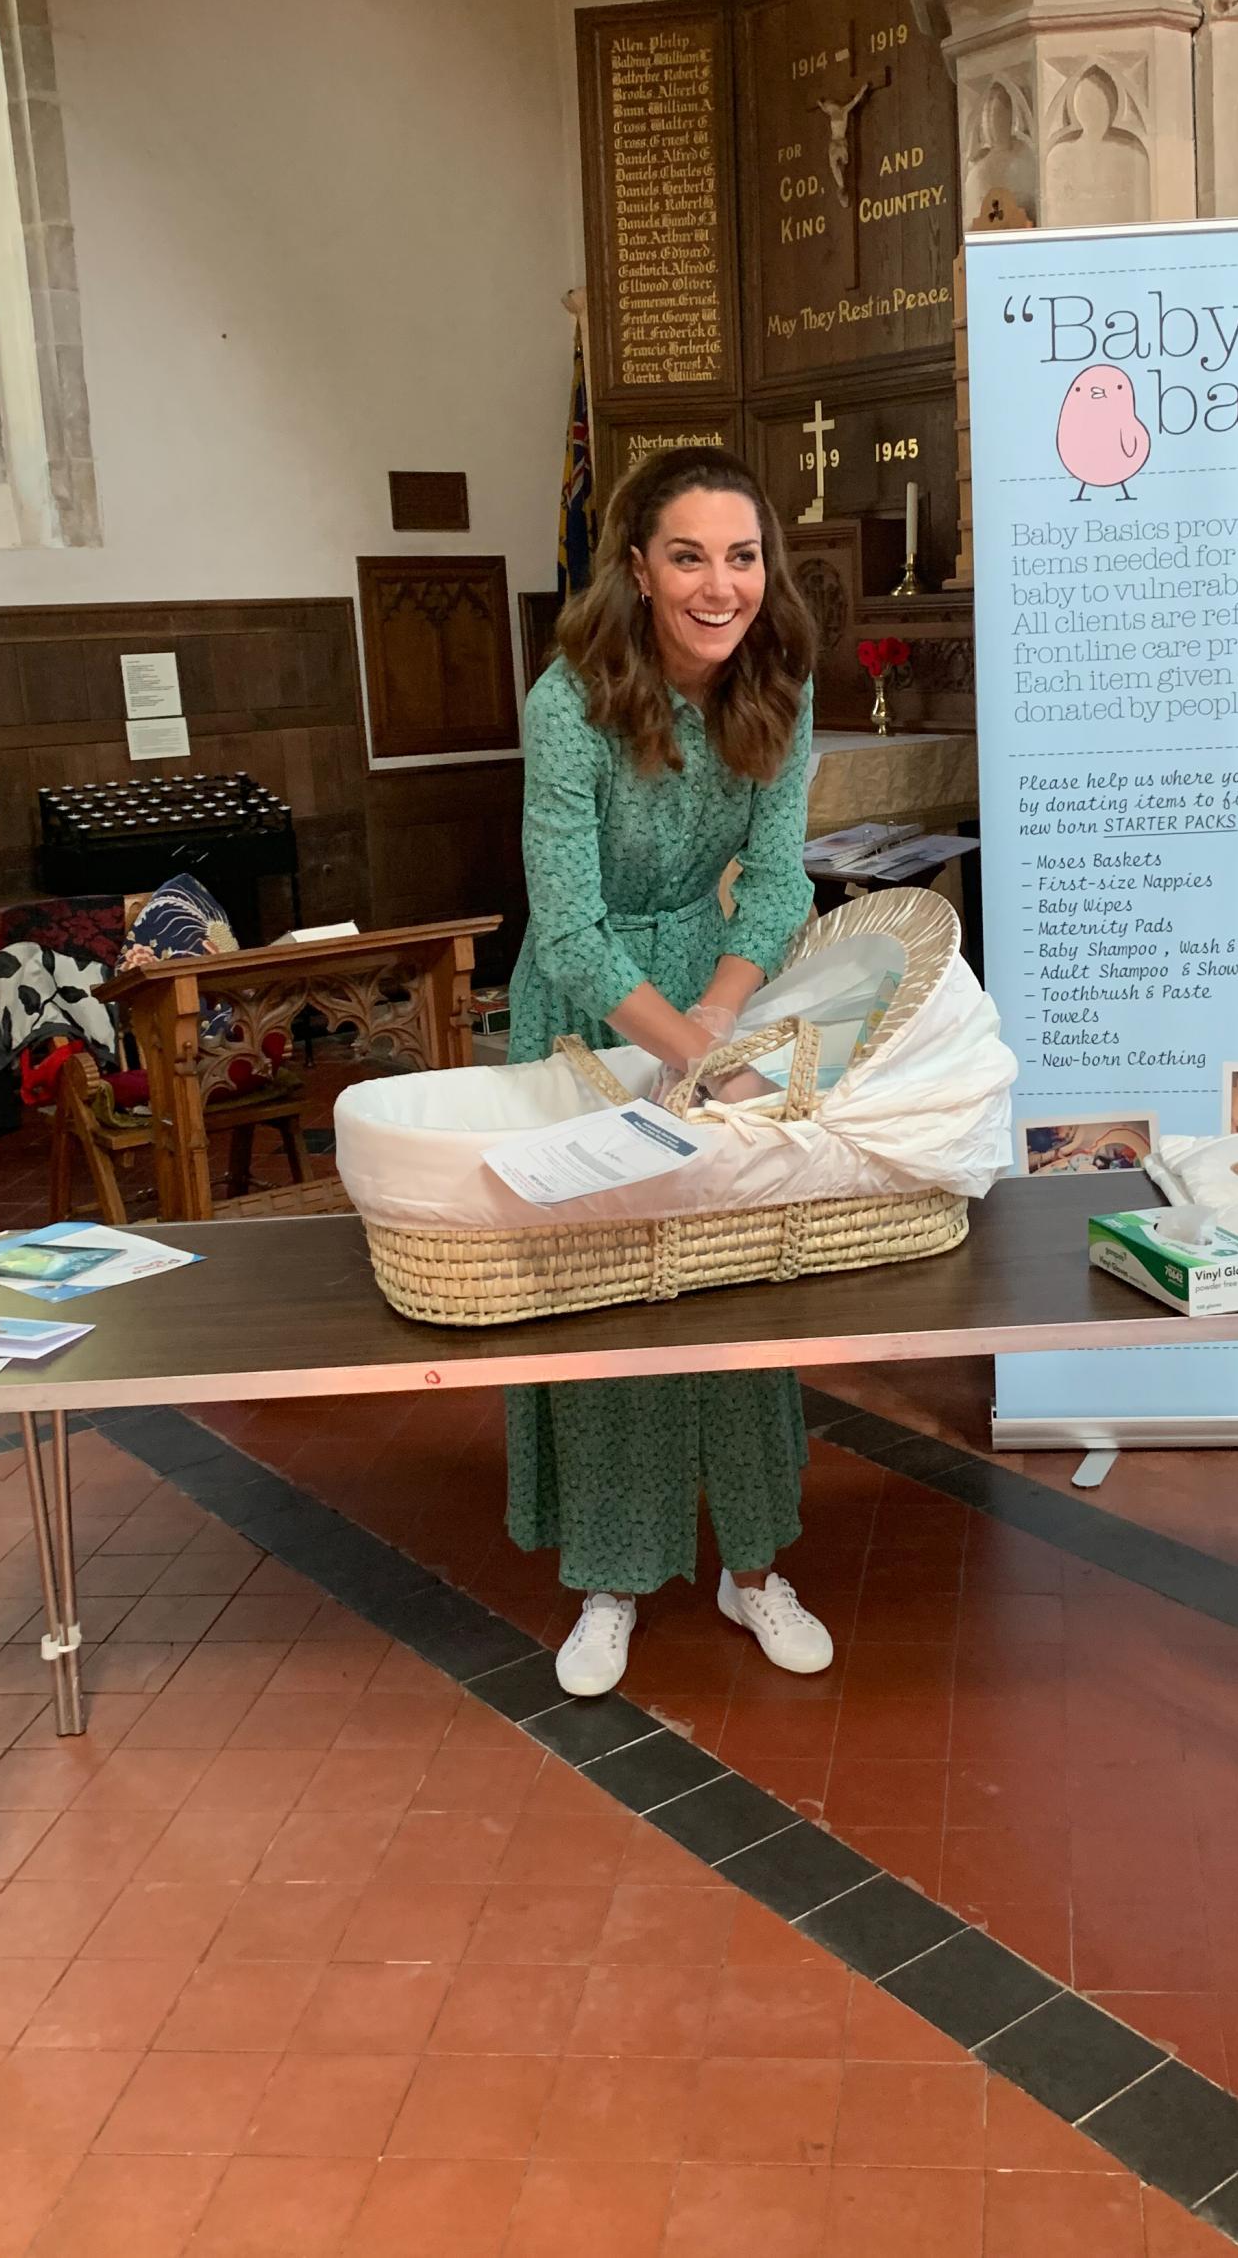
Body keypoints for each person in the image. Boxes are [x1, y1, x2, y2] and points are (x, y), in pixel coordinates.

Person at [507, 447, 833, 1698]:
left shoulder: (780, 687)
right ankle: (611, 1574)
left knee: (731, 1280)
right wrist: (701, 1054)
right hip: (587, 1011)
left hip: (709, 987)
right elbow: (574, 929)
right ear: (637, 568)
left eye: (741, 556)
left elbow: (784, 879)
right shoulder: (568, 701)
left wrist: (719, 1016)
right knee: (610, 1287)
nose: (720, 584)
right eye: (689, 555)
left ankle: (752, 1565)